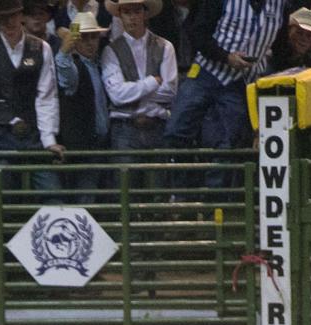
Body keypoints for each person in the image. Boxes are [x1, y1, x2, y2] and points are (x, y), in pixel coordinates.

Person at [163, 0, 286, 181]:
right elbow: (197, 33)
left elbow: (281, 48)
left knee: (229, 145)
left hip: (242, 82)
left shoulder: (280, 5)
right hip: (206, 71)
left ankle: (217, 203)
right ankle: (179, 192)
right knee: (176, 131)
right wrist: (226, 57)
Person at [0, 0, 64, 191]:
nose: (9, 22)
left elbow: (47, 96)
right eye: (4, 18)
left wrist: (49, 139)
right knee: (5, 197)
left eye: (13, 15)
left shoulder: (41, 48)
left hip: (33, 135)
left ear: (21, 16)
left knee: (52, 193)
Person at [102, 0, 178, 157]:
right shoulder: (111, 50)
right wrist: (153, 82)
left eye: (136, 12)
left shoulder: (165, 46)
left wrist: (131, 91)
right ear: (120, 16)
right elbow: (117, 95)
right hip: (125, 129)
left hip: (157, 126)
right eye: (127, 13)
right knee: (125, 180)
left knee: (158, 180)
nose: (132, 17)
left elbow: (170, 91)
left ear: (145, 14)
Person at [55, 12, 112, 201]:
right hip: (84, 148)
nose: (90, 43)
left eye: (93, 37)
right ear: (76, 42)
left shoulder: (99, 64)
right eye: (84, 38)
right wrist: (64, 50)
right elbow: (65, 72)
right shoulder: (75, 67)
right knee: (86, 199)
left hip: (102, 146)